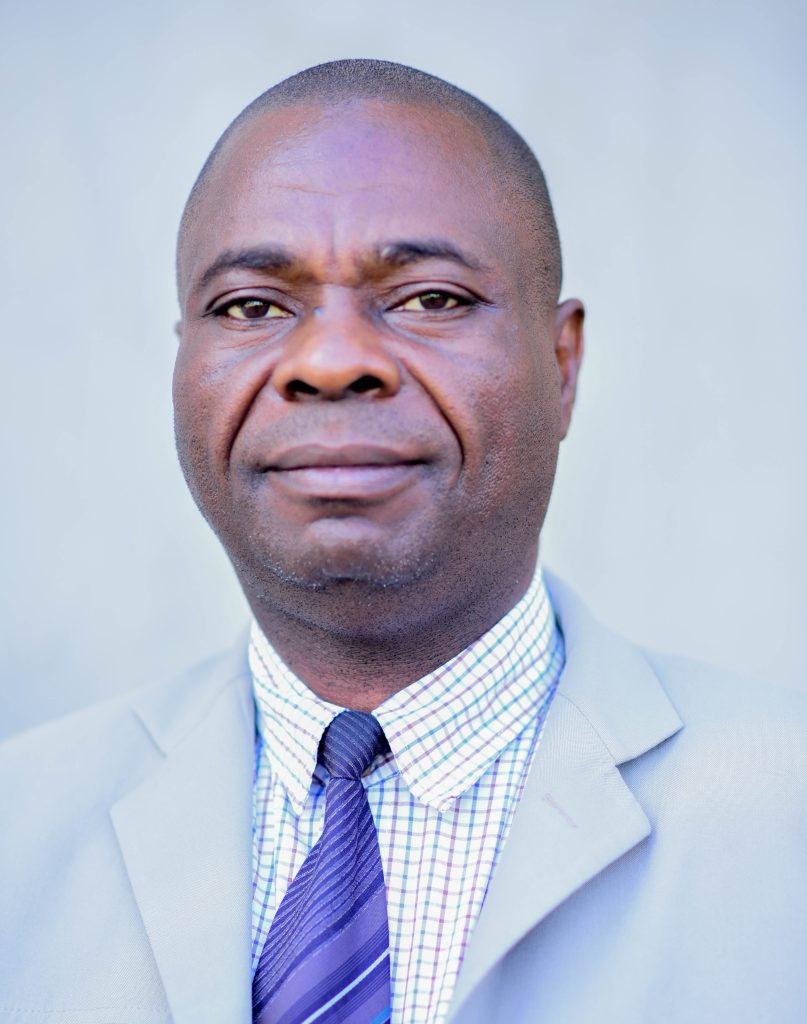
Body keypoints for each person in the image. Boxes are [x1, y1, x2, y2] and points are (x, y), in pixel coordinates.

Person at [0, 58, 804, 1024]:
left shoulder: (784, 821)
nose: (331, 361)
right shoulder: (18, 828)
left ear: (562, 363)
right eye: (251, 307)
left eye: (430, 298)